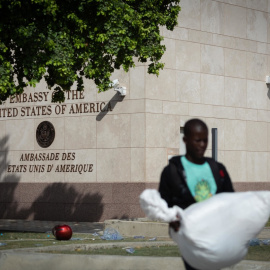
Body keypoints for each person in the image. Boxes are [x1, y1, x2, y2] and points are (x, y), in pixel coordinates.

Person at [158, 118, 234, 270]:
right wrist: (173, 219)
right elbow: (163, 204)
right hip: (190, 237)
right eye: (197, 140)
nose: (202, 145)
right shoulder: (172, 171)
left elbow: (230, 199)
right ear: (185, 140)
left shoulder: (217, 168)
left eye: (205, 141)